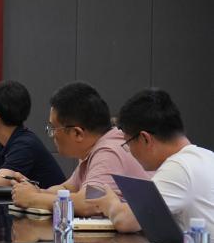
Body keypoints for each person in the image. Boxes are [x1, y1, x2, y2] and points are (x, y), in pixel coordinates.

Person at [10, 81, 148, 216]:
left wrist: (33, 198)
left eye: (53, 128)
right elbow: (67, 188)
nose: (52, 135)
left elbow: (90, 204)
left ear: (77, 133)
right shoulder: (96, 147)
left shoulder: (108, 152)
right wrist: (34, 191)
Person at [88, 88, 214, 235]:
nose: (129, 151)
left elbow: (125, 221)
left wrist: (110, 203)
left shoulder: (179, 167)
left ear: (145, 138)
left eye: (127, 143)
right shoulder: (206, 156)